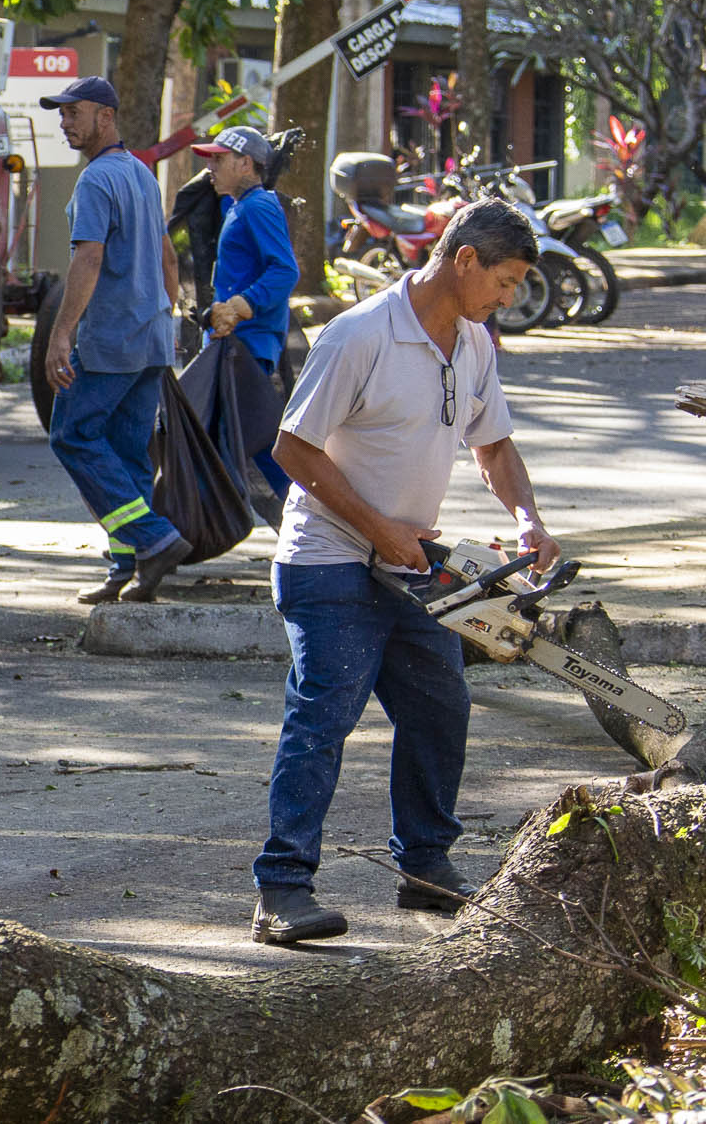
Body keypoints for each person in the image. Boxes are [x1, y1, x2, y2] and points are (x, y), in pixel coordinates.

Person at [250, 197, 558, 946]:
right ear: (464, 260)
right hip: (329, 562)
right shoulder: (361, 335)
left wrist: (527, 516)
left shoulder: (475, 342)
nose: (509, 297)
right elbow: (291, 449)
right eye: (505, 280)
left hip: (414, 565)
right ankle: (282, 887)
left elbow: (494, 446)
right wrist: (376, 527)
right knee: (323, 717)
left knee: (440, 707)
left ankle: (426, 868)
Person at [39, 76, 192, 606]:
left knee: (73, 437)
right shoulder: (142, 175)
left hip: (111, 339)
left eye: (73, 112)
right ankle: (130, 568)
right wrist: (164, 318)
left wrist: (61, 334)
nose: (65, 123)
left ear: (106, 115)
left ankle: (154, 539)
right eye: (61, 115)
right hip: (149, 338)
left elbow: (89, 257)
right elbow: (169, 257)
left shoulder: (97, 181)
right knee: (128, 457)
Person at [194, 124, 299, 495]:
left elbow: (285, 270)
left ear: (245, 165)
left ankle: (184, 526)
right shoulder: (239, 206)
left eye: (219, 159)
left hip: (247, 346)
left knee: (242, 440)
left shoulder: (259, 206)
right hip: (239, 345)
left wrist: (242, 305)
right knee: (246, 441)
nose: (210, 167)